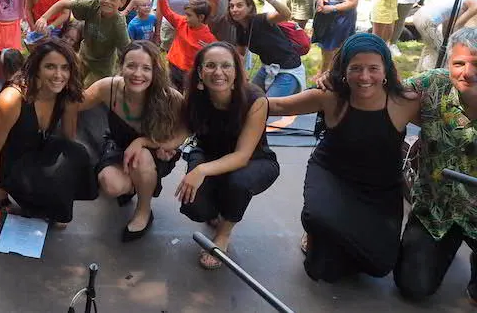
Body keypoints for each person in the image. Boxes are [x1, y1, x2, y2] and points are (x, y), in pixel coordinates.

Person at [269, 33, 418, 282]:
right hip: (332, 175)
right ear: (344, 70)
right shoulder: (330, 96)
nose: (364, 77)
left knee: (380, 266)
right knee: (322, 266)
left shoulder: (405, 102)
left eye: (373, 68)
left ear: (386, 70)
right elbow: (278, 106)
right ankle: (317, 230)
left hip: (380, 188)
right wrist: (228, 95)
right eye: (356, 68)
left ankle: (335, 232)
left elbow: (450, 112)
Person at [0, 38, 94, 228]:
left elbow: (68, 142)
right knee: (17, 186)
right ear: (37, 69)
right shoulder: (12, 98)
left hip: (30, 145)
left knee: (76, 153)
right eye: (50, 67)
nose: (58, 75)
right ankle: (0, 190)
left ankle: (31, 197)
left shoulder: (66, 95)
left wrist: (58, 183)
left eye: (65, 68)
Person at [176, 41, 279, 270]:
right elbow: (180, 134)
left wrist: (200, 170)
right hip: (209, 153)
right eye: (210, 65)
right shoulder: (195, 96)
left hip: (254, 160)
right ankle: (217, 208)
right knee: (195, 207)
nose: (218, 72)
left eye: (226, 65)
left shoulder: (255, 99)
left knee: (238, 183)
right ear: (200, 71)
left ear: (236, 70)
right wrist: (144, 143)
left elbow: (242, 156)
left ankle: (223, 235)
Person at [394, 27, 477, 302]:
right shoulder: (434, 84)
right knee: (413, 287)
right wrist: (333, 79)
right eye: (459, 63)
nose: (467, 72)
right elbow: (383, 90)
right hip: (436, 208)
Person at [79, 41, 187, 241]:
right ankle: (139, 183)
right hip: (118, 145)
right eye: (131, 66)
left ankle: (144, 211)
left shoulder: (170, 97)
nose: (138, 74)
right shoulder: (109, 87)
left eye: (146, 68)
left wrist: (153, 143)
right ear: (121, 66)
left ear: (155, 71)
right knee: (111, 184)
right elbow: (74, 104)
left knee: (141, 157)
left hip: (154, 153)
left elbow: (186, 128)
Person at [35, 0, 130, 86]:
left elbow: (127, 50)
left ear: (122, 3)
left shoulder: (118, 24)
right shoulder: (92, 6)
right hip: (84, 56)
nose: (107, 1)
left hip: (102, 68)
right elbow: (62, 4)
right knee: (70, 83)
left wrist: (122, 73)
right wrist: (44, 18)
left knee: (86, 90)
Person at [229, 0, 305, 97]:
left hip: (288, 70)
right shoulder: (240, 28)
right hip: (267, 68)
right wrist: (242, 73)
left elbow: (286, 14)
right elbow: (240, 54)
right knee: (247, 97)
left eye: (239, 5)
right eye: (231, 6)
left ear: (250, 8)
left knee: (268, 104)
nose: (234, 9)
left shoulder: (261, 20)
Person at [155, 0, 216, 89]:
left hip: (190, 73)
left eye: (189, 15)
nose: (185, 17)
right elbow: (167, 12)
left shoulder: (208, 37)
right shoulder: (182, 22)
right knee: (172, 92)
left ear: (201, 17)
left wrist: (210, 50)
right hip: (173, 65)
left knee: (188, 95)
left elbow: (216, 53)